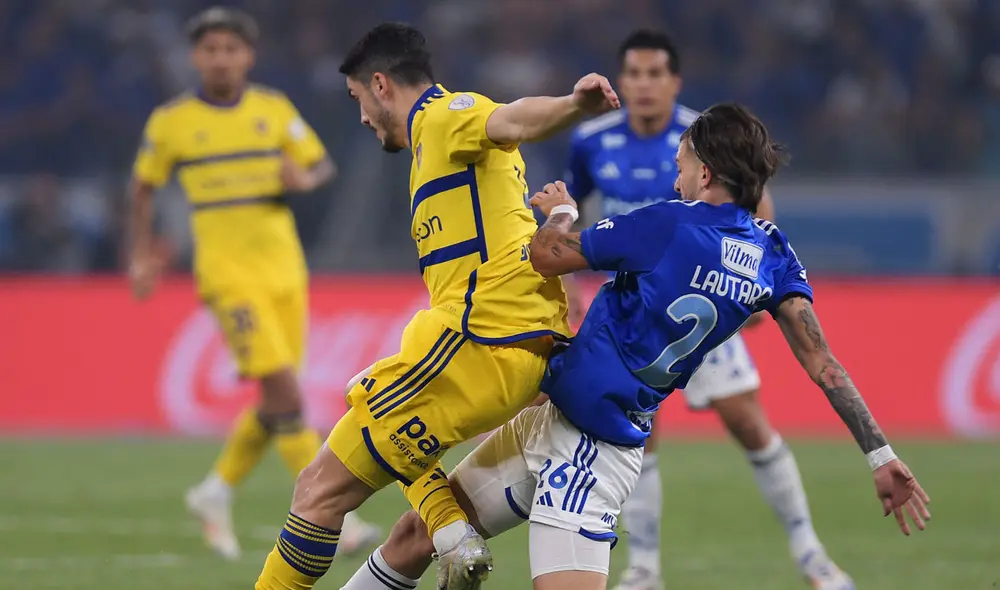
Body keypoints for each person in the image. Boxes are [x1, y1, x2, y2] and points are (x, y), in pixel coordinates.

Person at [333, 104, 931, 590]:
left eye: (682, 165)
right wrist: (879, 456)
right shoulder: (774, 257)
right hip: (548, 421)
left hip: (592, 451)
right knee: (417, 536)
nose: (676, 178)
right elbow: (823, 364)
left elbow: (546, 256)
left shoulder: (671, 222)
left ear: (707, 174)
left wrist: (560, 211)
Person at [253, 22, 622, 590]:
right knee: (375, 419)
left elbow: (512, 118)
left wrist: (574, 105)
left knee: (322, 484)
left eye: (357, 98)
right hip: (511, 351)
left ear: (380, 85)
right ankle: (451, 532)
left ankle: (450, 531)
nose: (362, 117)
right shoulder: (438, 152)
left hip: (481, 341)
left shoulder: (443, 116)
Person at [562, 30, 851, 590]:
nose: (644, 84)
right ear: (621, 81)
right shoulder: (591, 140)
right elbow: (572, 206)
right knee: (640, 433)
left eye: (655, 73)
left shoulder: (703, 136)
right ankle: (644, 568)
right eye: (634, 74)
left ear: (675, 82)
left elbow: (757, 204)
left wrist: (755, 282)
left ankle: (812, 555)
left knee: (748, 424)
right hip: (637, 308)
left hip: (704, 298)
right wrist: (571, 280)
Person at [128, 6, 380, 560]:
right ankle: (333, 513)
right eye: (210, 49)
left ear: (248, 56)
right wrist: (141, 255)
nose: (221, 58)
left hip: (284, 269)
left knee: (275, 397)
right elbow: (142, 188)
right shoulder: (171, 121)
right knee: (286, 392)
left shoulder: (273, 109)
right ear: (195, 57)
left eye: (231, 49)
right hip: (227, 276)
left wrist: (302, 178)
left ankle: (215, 491)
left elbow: (321, 166)